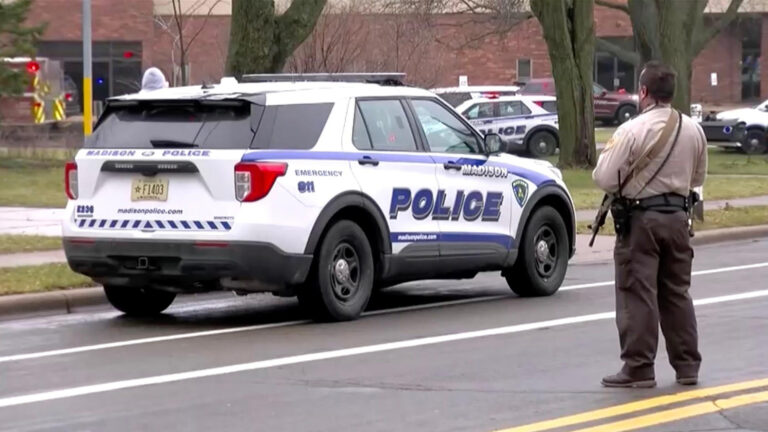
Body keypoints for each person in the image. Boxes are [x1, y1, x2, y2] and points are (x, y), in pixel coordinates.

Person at [592, 61, 708, 388]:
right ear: (671, 93)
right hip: (678, 219)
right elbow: (697, 178)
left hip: (641, 221)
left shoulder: (632, 129)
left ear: (643, 92)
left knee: (637, 294)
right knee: (677, 293)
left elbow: (604, 177)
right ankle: (687, 366)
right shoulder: (693, 129)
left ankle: (639, 367)